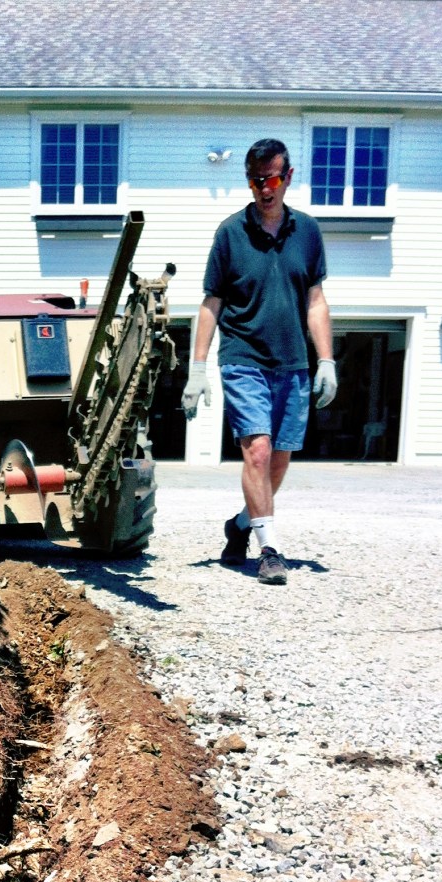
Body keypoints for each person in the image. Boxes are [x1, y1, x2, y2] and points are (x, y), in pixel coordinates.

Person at [182, 139, 336, 585]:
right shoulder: (230, 234)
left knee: (279, 461)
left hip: (292, 365)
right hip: (243, 358)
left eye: (271, 179)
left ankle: (241, 524)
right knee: (259, 450)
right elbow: (211, 303)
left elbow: (315, 299)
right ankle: (269, 549)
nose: (264, 189)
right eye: (255, 181)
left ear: (288, 178)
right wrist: (197, 367)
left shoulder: (307, 232)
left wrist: (326, 360)